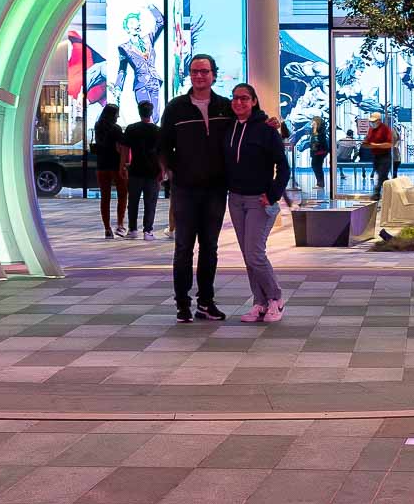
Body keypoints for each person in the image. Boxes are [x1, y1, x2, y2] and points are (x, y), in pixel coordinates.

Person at [159, 54, 232, 322]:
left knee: (210, 247)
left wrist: (271, 123)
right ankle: (182, 304)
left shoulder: (225, 107)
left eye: (204, 71)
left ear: (214, 74)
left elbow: (248, 121)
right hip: (185, 189)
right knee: (183, 248)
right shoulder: (176, 107)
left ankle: (206, 302)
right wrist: (168, 171)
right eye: (194, 71)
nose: (199, 76)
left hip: (215, 189)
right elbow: (164, 144)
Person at [223, 83, 290, 324]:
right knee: (247, 255)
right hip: (236, 199)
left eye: (244, 98)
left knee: (254, 254)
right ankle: (259, 303)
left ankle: (275, 298)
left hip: (258, 201)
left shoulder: (266, 129)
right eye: (235, 98)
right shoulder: (229, 127)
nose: (238, 102)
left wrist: (272, 194)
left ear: (253, 101)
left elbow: (283, 167)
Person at [121, 101, 162, 238]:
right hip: (153, 171)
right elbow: (161, 153)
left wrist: (123, 165)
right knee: (150, 202)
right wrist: (163, 170)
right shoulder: (158, 131)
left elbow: (125, 149)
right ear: (151, 113)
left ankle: (132, 230)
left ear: (139, 112)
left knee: (133, 201)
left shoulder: (131, 129)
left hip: (135, 170)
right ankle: (148, 231)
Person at [92, 104, 127, 239]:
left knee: (105, 198)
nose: (118, 116)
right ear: (113, 114)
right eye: (117, 114)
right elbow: (120, 148)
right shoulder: (116, 129)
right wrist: (123, 165)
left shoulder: (98, 126)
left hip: (102, 166)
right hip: (115, 166)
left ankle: (107, 228)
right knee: (122, 195)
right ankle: (120, 224)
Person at [365, 113, 399, 200]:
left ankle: (376, 193)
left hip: (385, 156)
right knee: (383, 177)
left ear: (379, 121)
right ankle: (393, 192)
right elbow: (368, 141)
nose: (372, 123)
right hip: (376, 156)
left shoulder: (385, 130)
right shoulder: (371, 130)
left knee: (382, 174)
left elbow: (389, 144)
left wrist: (376, 145)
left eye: (374, 121)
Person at [307, 115, 331, 193]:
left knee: (316, 166)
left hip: (320, 152)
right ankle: (320, 182)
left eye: (313, 121)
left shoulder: (320, 132)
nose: (312, 122)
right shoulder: (314, 131)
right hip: (317, 151)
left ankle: (320, 183)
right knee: (316, 166)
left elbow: (319, 141)